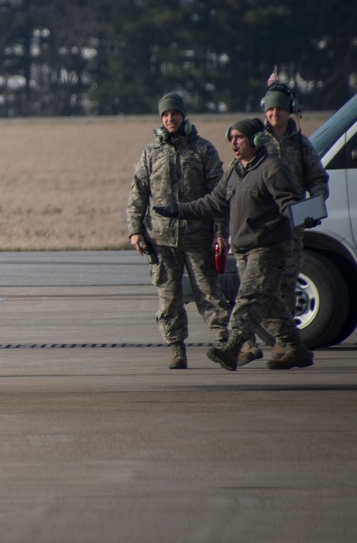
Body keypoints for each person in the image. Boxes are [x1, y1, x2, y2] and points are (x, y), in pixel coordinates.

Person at [153, 117, 313, 371]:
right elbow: (213, 202)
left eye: (239, 138)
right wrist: (177, 210)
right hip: (244, 250)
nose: (233, 143)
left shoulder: (272, 169)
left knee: (248, 298)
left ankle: (232, 348)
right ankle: (296, 348)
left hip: (268, 248)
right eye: (231, 139)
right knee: (268, 302)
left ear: (256, 140)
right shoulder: (235, 171)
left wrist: (304, 214)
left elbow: (290, 203)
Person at [126, 92, 231, 369]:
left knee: (209, 293)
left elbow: (220, 195)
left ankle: (227, 342)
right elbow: (138, 193)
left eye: (174, 113)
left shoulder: (203, 150)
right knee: (169, 297)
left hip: (198, 236)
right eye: (165, 115)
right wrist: (135, 230)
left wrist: (220, 232)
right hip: (160, 239)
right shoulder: (151, 153)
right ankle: (176, 349)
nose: (170, 118)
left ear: (183, 116)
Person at [237, 78, 329, 366]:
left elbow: (317, 180)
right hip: (259, 226)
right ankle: (247, 344)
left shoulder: (301, 145)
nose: (274, 114)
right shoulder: (256, 141)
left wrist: (314, 206)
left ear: (290, 111)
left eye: (280, 109)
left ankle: (284, 346)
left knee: (286, 283)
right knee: (250, 287)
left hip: (291, 226)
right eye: (270, 110)